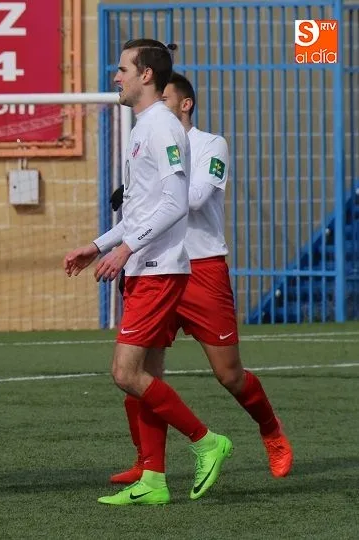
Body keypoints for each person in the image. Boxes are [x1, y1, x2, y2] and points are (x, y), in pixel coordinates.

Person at [63, 39, 232, 506]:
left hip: (158, 268)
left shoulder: (160, 127)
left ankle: (206, 441)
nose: (115, 77)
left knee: (125, 373)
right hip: (143, 264)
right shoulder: (143, 127)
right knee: (148, 379)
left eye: (122, 70)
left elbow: (178, 204)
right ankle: (154, 480)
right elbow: (142, 210)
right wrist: (98, 245)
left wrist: (127, 249)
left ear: (146, 76)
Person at [107, 72, 292, 485]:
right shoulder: (149, 139)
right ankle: (149, 464)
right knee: (140, 371)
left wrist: (146, 192)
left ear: (185, 104)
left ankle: (271, 430)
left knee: (229, 375)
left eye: (167, 98)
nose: (158, 106)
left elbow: (190, 200)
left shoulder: (212, 145)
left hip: (202, 269)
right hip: (158, 264)